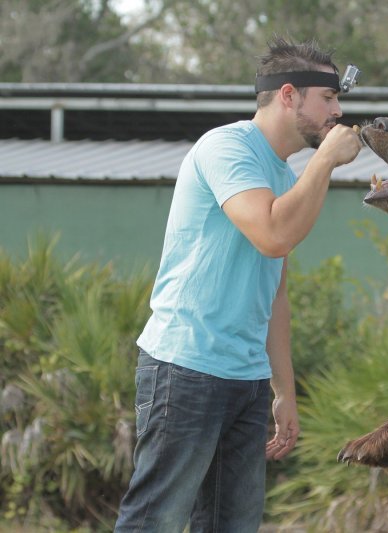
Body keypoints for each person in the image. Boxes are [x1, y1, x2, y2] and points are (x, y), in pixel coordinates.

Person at [114, 37, 362, 532]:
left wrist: (283, 391)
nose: (338, 112)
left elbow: (276, 288)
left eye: (339, 101)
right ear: (288, 95)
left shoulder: (286, 172)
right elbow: (272, 235)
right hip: (185, 369)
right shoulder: (226, 147)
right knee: (154, 522)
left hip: (245, 380)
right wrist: (326, 161)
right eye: (328, 99)